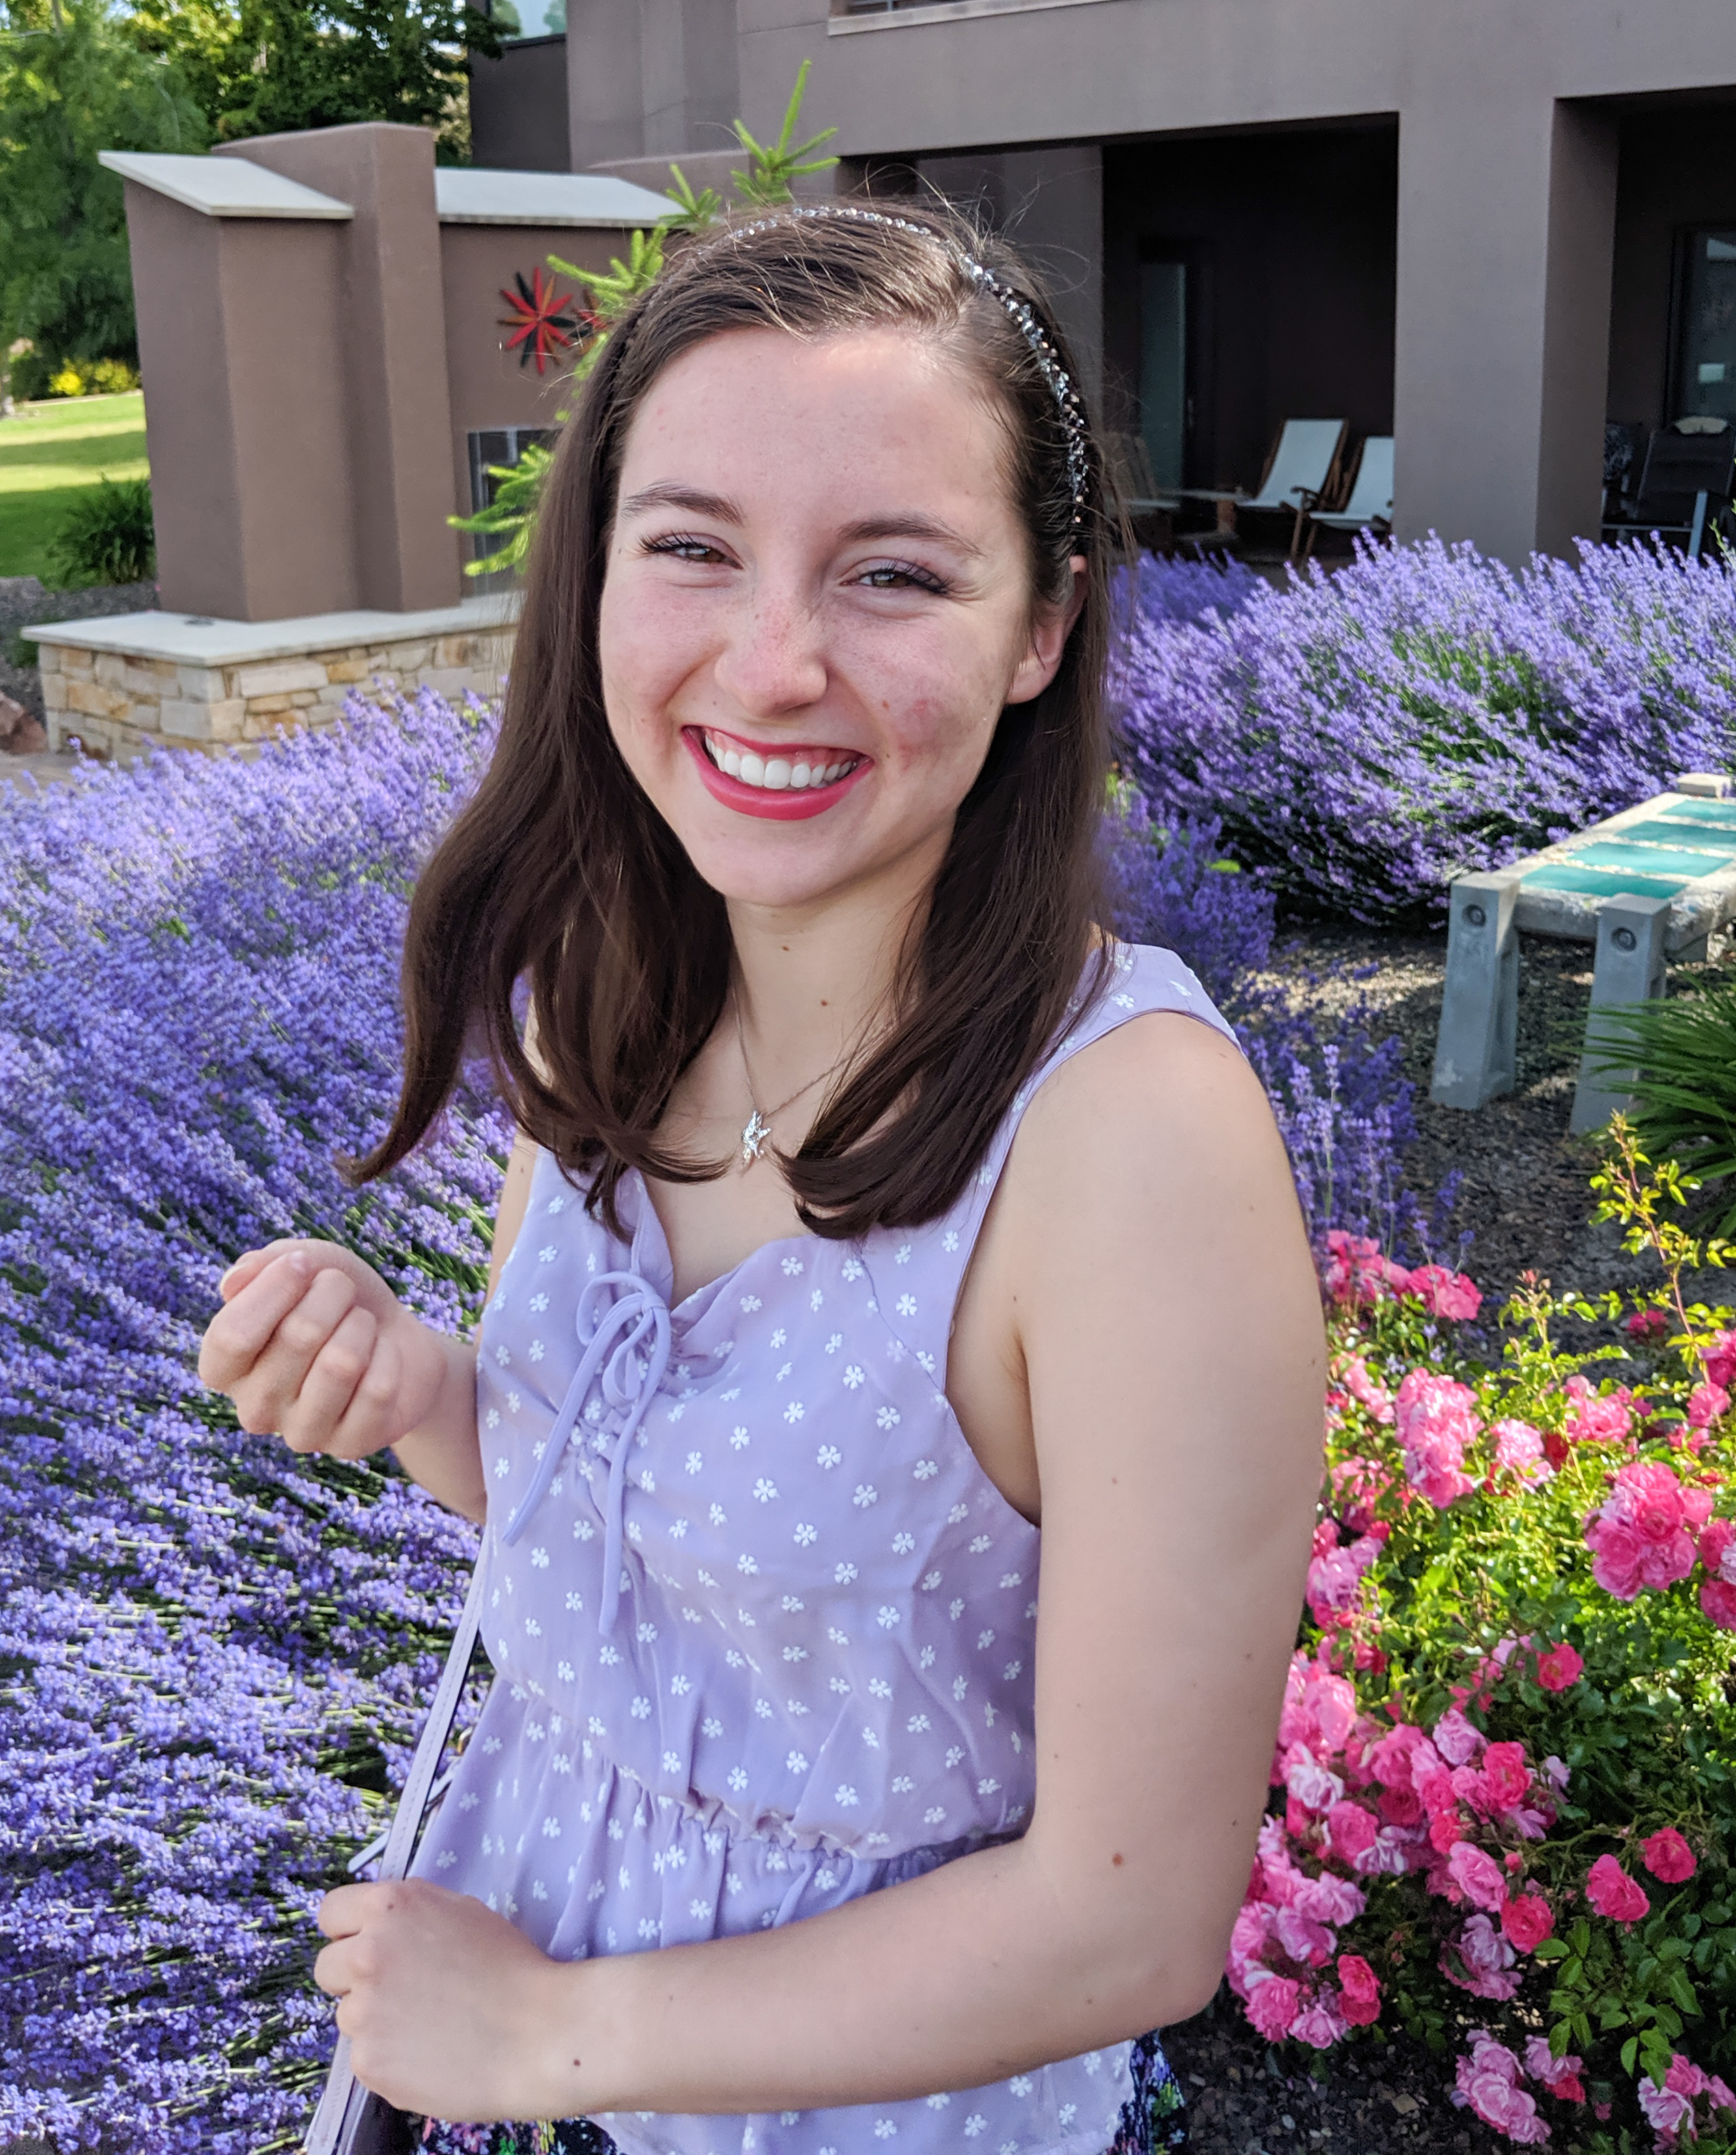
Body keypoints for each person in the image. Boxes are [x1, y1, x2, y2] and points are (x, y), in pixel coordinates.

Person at [199, 201, 1326, 2155]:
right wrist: (422, 1392)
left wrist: (551, 2032)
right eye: (694, 548)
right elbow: (643, 1532)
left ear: (1043, 625)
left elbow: (1130, 1917)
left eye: (894, 573)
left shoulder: (1130, 1148)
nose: (773, 657)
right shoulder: (610, 1010)